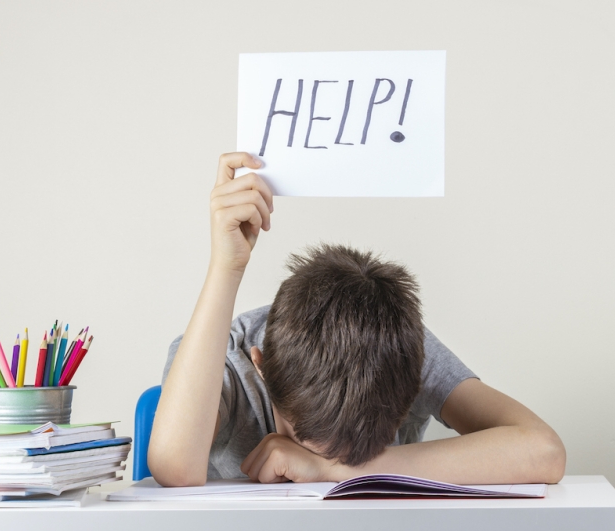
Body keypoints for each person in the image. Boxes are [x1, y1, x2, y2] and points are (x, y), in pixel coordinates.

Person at [147, 152, 566, 486]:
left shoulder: (398, 348)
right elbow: (174, 466)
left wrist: (338, 472)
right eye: (311, 445)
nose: (329, 460)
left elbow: (542, 450)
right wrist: (227, 266)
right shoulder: (220, 358)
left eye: (360, 451)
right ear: (261, 366)